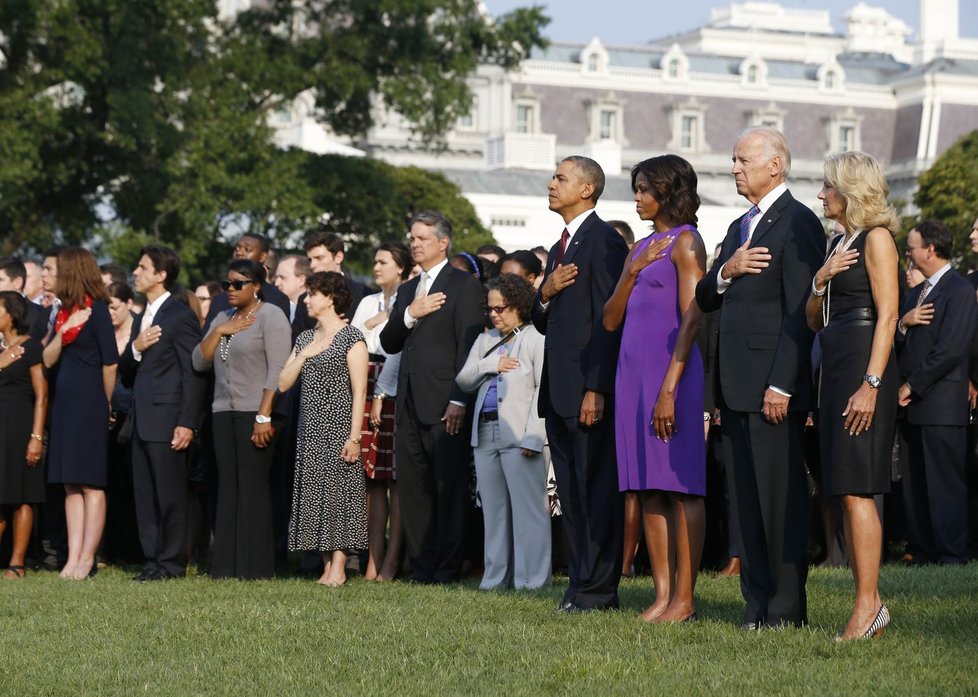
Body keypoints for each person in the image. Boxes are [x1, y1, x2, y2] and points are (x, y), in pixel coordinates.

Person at [694, 127, 824, 629]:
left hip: (773, 387)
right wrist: (727, 270)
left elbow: (801, 312)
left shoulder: (798, 222)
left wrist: (784, 384)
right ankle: (756, 605)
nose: (734, 168)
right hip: (734, 387)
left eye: (743, 159)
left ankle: (786, 610)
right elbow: (707, 297)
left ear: (775, 165)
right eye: (733, 159)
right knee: (746, 505)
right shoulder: (737, 228)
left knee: (779, 503)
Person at [603, 154, 707, 623]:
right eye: (637, 188)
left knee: (682, 487)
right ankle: (662, 595)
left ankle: (685, 598)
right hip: (632, 377)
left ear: (668, 191)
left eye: (645, 189)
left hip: (673, 376)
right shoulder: (641, 247)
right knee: (647, 488)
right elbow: (610, 319)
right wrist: (631, 269)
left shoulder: (687, 242)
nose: (638, 197)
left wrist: (670, 387)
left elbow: (693, 318)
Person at [804, 151, 900, 640]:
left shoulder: (878, 239)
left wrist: (872, 384)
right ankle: (870, 606)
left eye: (827, 186)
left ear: (850, 190)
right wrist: (820, 280)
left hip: (865, 367)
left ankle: (868, 606)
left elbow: (887, 316)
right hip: (836, 365)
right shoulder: (835, 245)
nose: (821, 194)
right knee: (843, 486)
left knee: (859, 487)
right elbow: (812, 320)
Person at [531, 156, 629, 613]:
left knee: (595, 491)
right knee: (571, 494)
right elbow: (544, 322)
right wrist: (545, 292)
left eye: (561, 178)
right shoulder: (560, 246)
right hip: (559, 390)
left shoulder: (604, 240)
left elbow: (610, 321)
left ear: (587, 189)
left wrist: (597, 387)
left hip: (587, 391)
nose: (552, 184)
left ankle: (598, 589)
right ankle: (579, 583)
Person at [380, 210, 485, 584]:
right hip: (408, 401)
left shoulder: (463, 284)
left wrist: (459, 398)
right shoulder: (409, 289)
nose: (414, 243)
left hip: (445, 403)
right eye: (412, 237)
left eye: (422, 238)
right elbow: (389, 342)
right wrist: (409, 313)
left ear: (443, 242)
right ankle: (421, 566)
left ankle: (446, 567)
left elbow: (469, 345)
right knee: (413, 488)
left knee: (448, 487)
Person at [193, 259, 291, 579]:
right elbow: (199, 361)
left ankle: (257, 567)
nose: (231, 290)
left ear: (256, 286)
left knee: (253, 487)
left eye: (239, 284)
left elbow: (278, 370)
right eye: (227, 284)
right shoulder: (222, 317)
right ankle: (224, 566)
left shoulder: (271, 317)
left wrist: (264, 415)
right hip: (223, 412)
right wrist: (220, 330)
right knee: (227, 487)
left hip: (256, 412)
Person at [457, 273, 550, 589]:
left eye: (501, 308)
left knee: (529, 512)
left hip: (521, 435)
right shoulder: (485, 340)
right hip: (484, 434)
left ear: (519, 306)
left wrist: (535, 435)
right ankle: (494, 579)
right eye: (491, 309)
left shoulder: (536, 336)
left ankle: (533, 581)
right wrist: (489, 366)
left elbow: (543, 389)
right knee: (494, 512)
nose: (495, 314)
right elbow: (464, 379)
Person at [120, 246, 206, 581]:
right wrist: (136, 348)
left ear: (161, 275)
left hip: (168, 418)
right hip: (141, 419)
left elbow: (193, 373)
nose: (135, 272)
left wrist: (187, 422)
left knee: (170, 494)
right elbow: (127, 371)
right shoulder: (143, 317)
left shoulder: (180, 315)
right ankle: (153, 560)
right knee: (145, 494)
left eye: (142, 267)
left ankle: (171, 563)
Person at [279, 272, 369, 586]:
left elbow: (360, 391)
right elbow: (282, 383)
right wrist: (304, 354)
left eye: (312, 294)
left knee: (339, 496)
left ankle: (340, 568)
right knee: (315, 495)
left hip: (340, 428)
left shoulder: (352, 337)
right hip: (309, 430)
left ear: (329, 297)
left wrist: (354, 437)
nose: (306, 300)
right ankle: (326, 565)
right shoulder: (304, 338)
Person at [897, 220, 978, 566]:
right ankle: (924, 549)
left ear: (930, 249)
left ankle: (950, 553)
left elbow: (952, 349)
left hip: (941, 404)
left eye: (912, 247)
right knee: (915, 482)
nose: (908, 253)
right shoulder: (916, 293)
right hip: (911, 407)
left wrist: (912, 385)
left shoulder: (959, 290)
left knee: (945, 483)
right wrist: (904, 322)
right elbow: (898, 341)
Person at [42, 247, 119, 579]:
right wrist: (64, 329)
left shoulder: (97, 309)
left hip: (90, 405)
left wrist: (106, 403)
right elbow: (46, 358)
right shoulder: (64, 313)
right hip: (65, 406)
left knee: (91, 484)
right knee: (70, 484)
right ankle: (72, 557)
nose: (49, 276)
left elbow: (110, 362)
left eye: (53, 270)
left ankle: (88, 558)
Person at [350, 241, 410, 581]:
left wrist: (384, 321)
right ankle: (373, 558)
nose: (376, 267)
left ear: (399, 267)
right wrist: (373, 321)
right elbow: (354, 340)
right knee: (371, 479)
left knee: (396, 479)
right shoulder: (367, 301)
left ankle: (392, 560)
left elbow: (397, 344)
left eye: (382, 261)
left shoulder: (407, 297)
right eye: (374, 261)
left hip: (393, 384)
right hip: (366, 378)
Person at [0, 292, 47, 578]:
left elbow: (42, 396)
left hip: (20, 427)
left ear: (12, 314)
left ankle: (17, 563)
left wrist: (36, 437)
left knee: (21, 496)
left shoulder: (30, 348)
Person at [206, 233, 291, 324]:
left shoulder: (276, 299)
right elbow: (207, 336)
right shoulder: (219, 300)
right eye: (237, 248)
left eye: (247, 249)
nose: (239, 253)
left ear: (262, 257)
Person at [273, 255, 311, 325]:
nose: (276, 283)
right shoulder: (275, 307)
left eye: (282, 277)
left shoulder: (313, 311)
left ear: (301, 280)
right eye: (276, 277)